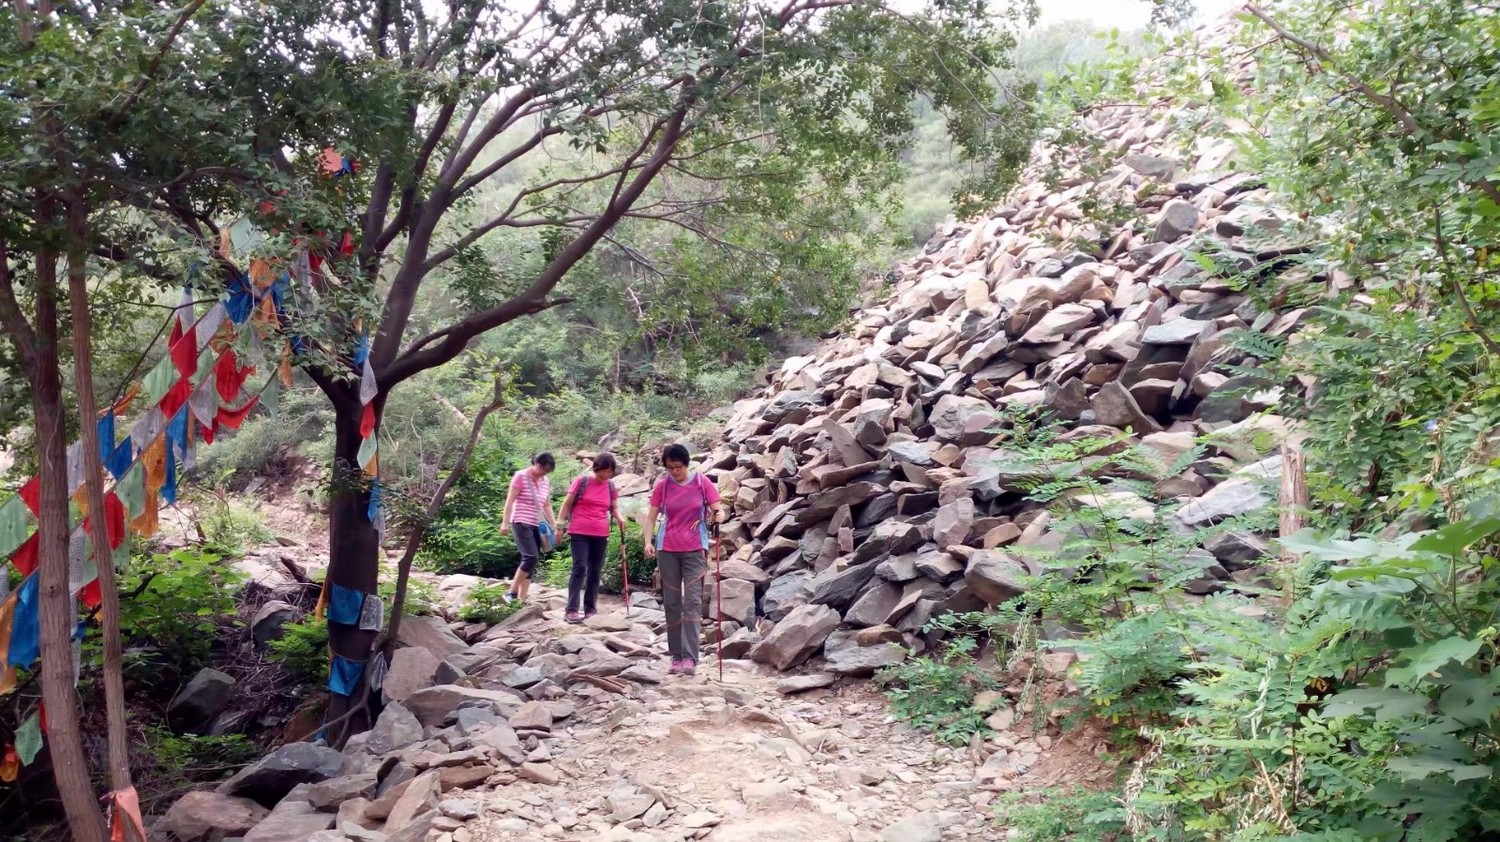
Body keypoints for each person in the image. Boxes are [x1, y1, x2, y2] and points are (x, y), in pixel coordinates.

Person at [643, 443, 722, 676]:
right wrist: (648, 541)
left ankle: (690, 657)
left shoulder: (701, 482)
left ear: (686, 464)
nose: (674, 472)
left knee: (693, 602)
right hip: (667, 548)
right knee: (672, 603)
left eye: (678, 467)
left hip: (695, 548)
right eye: (669, 468)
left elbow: (718, 508)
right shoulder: (663, 485)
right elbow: (651, 517)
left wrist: (719, 515)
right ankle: (675, 656)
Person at [557, 452, 629, 624]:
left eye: (609, 472)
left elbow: (614, 507)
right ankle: (571, 610)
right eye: (602, 471)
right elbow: (567, 504)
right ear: (596, 468)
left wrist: (620, 517)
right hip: (579, 531)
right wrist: (559, 526)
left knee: (596, 571)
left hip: (600, 532)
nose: (605, 475)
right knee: (580, 567)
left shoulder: (610, 486)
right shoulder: (582, 482)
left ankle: (590, 609)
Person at [500, 452, 556, 604]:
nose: (544, 473)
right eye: (543, 469)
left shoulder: (545, 481)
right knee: (531, 557)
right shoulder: (521, 476)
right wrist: (505, 523)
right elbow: (510, 501)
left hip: (537, 524)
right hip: (520, 521)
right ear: (536, 463)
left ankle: (521, 599)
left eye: (548, 471)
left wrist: (554, 524)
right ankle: (511, 592)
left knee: (532, 560)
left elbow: (546, 504)